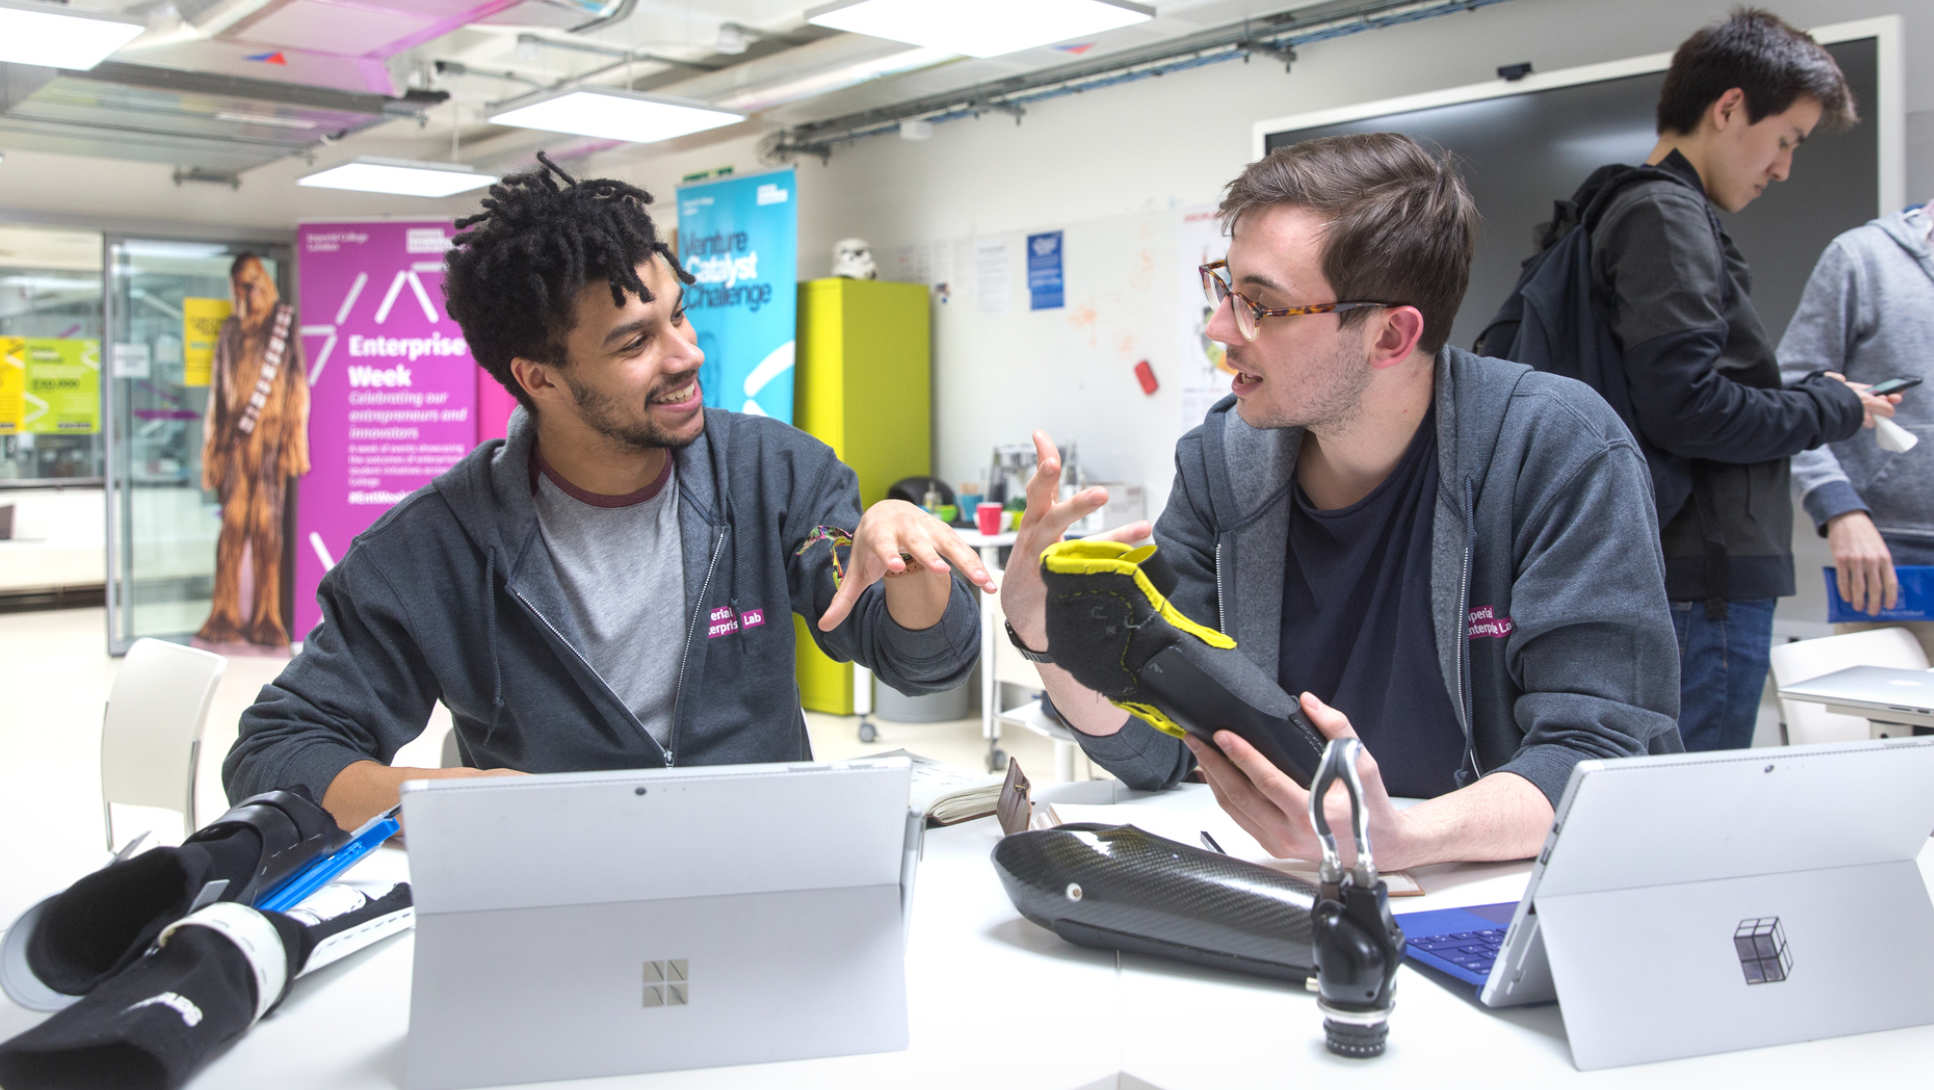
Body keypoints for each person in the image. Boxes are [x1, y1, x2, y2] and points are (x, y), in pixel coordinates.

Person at [223, 154, 987, 832]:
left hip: (762, 872)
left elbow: (924, 664)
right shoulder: (434, 547)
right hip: (555, 904)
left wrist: (909, 568)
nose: (685, 355)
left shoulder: (771, 474)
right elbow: (274, 753)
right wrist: (443, 798)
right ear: (540, 377)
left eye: (678, 316)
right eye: (634, 342)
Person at [999, 132, 1683, 872]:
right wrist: (1044, 631)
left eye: (1261, 305)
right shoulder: (1222, 462)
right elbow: (1161, 748)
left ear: (1391, 335)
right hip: (1302, 890)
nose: (1219, 329)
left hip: (1505, 894)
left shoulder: (1556, 450)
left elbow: (1597, 756)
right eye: (1224, 287)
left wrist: (1400, 840)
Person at [1582, 8, 1895, 751]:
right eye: (1784, 139)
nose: (1783, 168)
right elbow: (1689, 408)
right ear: (1728, 108)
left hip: (1686, 575)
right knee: (1692, 824)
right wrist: (1831, 407)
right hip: (1705, 583)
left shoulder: (1624, 205)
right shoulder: (1664, 212)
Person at [1778, 201, 1934, 658]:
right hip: (1888, 577)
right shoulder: (1862, 260)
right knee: (1890, 728)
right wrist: (1841, 510)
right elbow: (1792, 396)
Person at [197, 253, 310, 648]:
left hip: (269, 446)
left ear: (263, 282)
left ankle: (267, 617)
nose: (246, 292)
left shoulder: (283, 325)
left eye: (252, 283)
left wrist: (295, 442)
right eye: (239, 285)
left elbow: (297, 384)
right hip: (233, 445)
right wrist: (212, 448)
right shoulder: (229, 330)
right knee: (232, 528)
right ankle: (224, 614)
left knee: (266, 530)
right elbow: (217, 392)